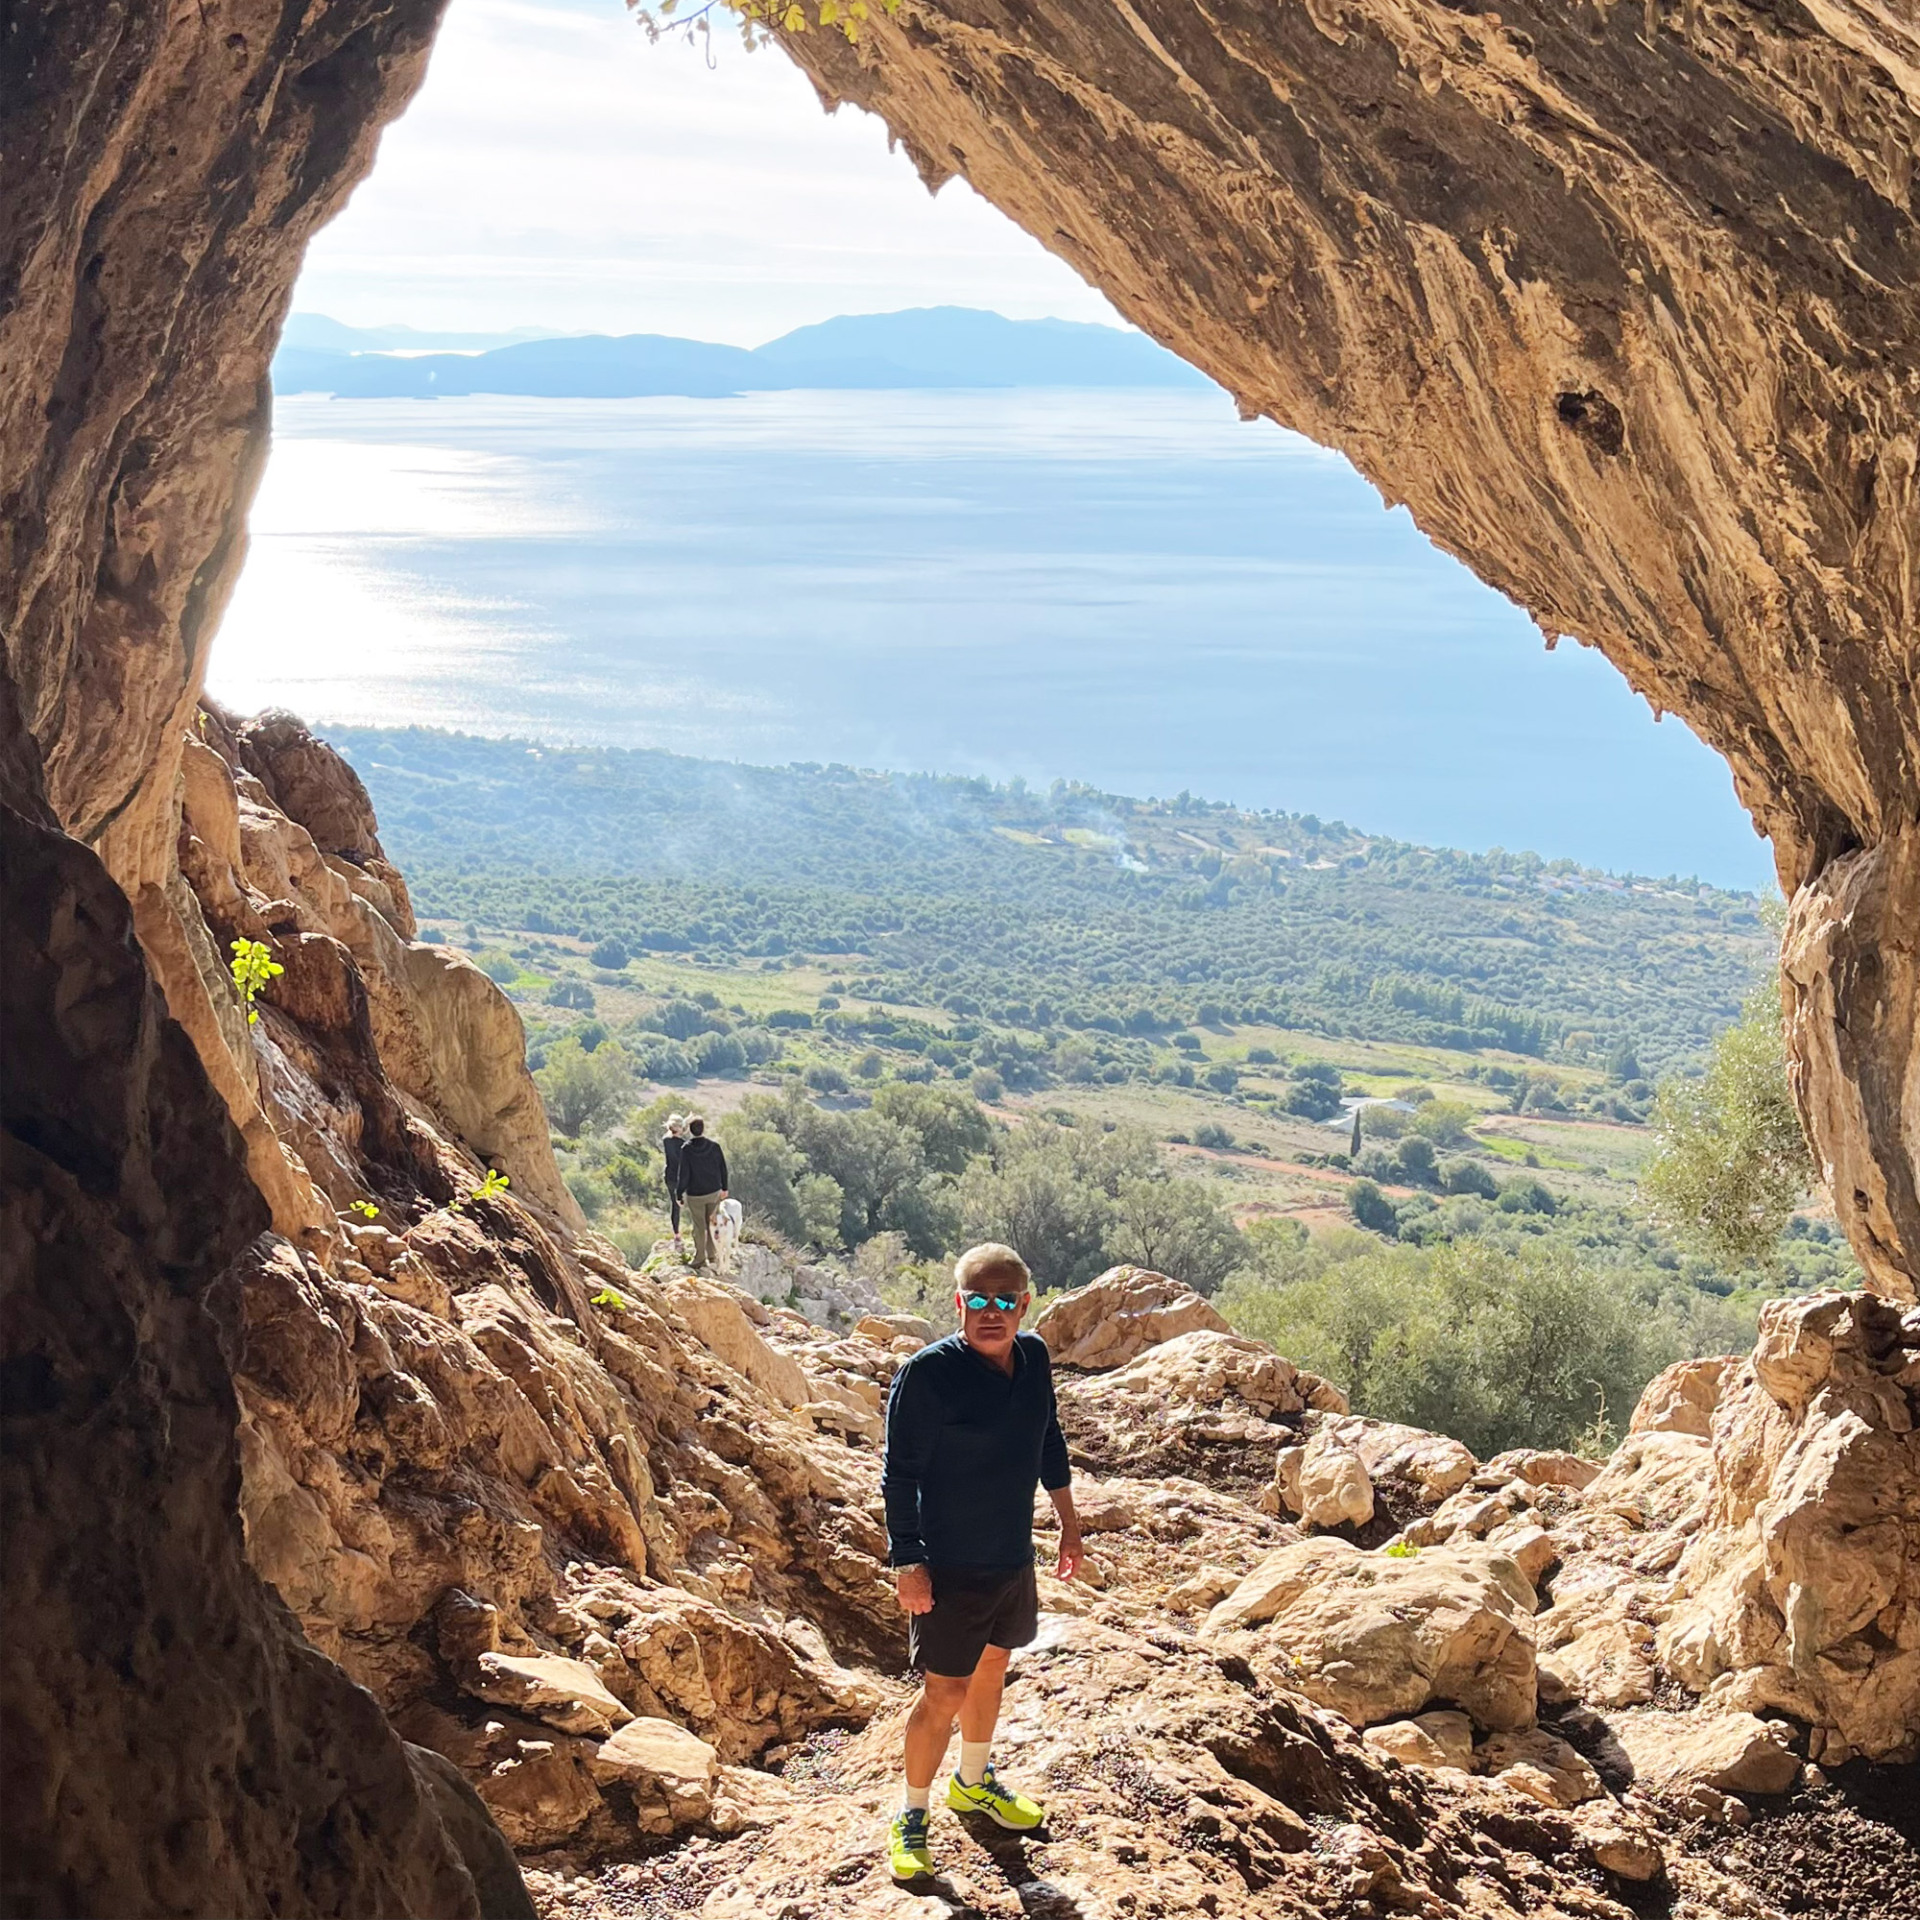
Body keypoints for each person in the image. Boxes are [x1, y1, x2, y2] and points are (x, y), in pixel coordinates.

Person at [879, 1243, 1083, 1884]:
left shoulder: (1035, 1356)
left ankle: (972, 1783)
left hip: (1009, 1557)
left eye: (1004, 1301)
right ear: (958, 1302)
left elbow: (1047, 1436)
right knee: (944, 1692)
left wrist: (1069, 1522)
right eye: (978, 1300)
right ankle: (911, 1816)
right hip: (950, 1565)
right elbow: (899, 1475)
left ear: (1024, 1304)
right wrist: (909, 1562)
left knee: (994, 1666)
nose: (990, 1313)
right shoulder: (929, 1374)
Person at [672, 1115, 728, 1270]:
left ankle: (699, 1258)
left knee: (699, 1226)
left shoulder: (687, 1149)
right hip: (713, 1192)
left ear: (690, 1130)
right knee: (712, 1223)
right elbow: (723, 1168)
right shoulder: (714, 1146)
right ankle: (712, 1254)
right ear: (703, 1129)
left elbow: (683, 1174)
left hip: (695, 1194)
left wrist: (679, 1194)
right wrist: (724, 1188)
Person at [660, 1113, 687, 1247]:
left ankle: (676, 1233)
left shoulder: (666, 1140)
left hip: (670, 1177)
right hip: (681, 1177)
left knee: (675, 1205)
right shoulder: (683, 1144)